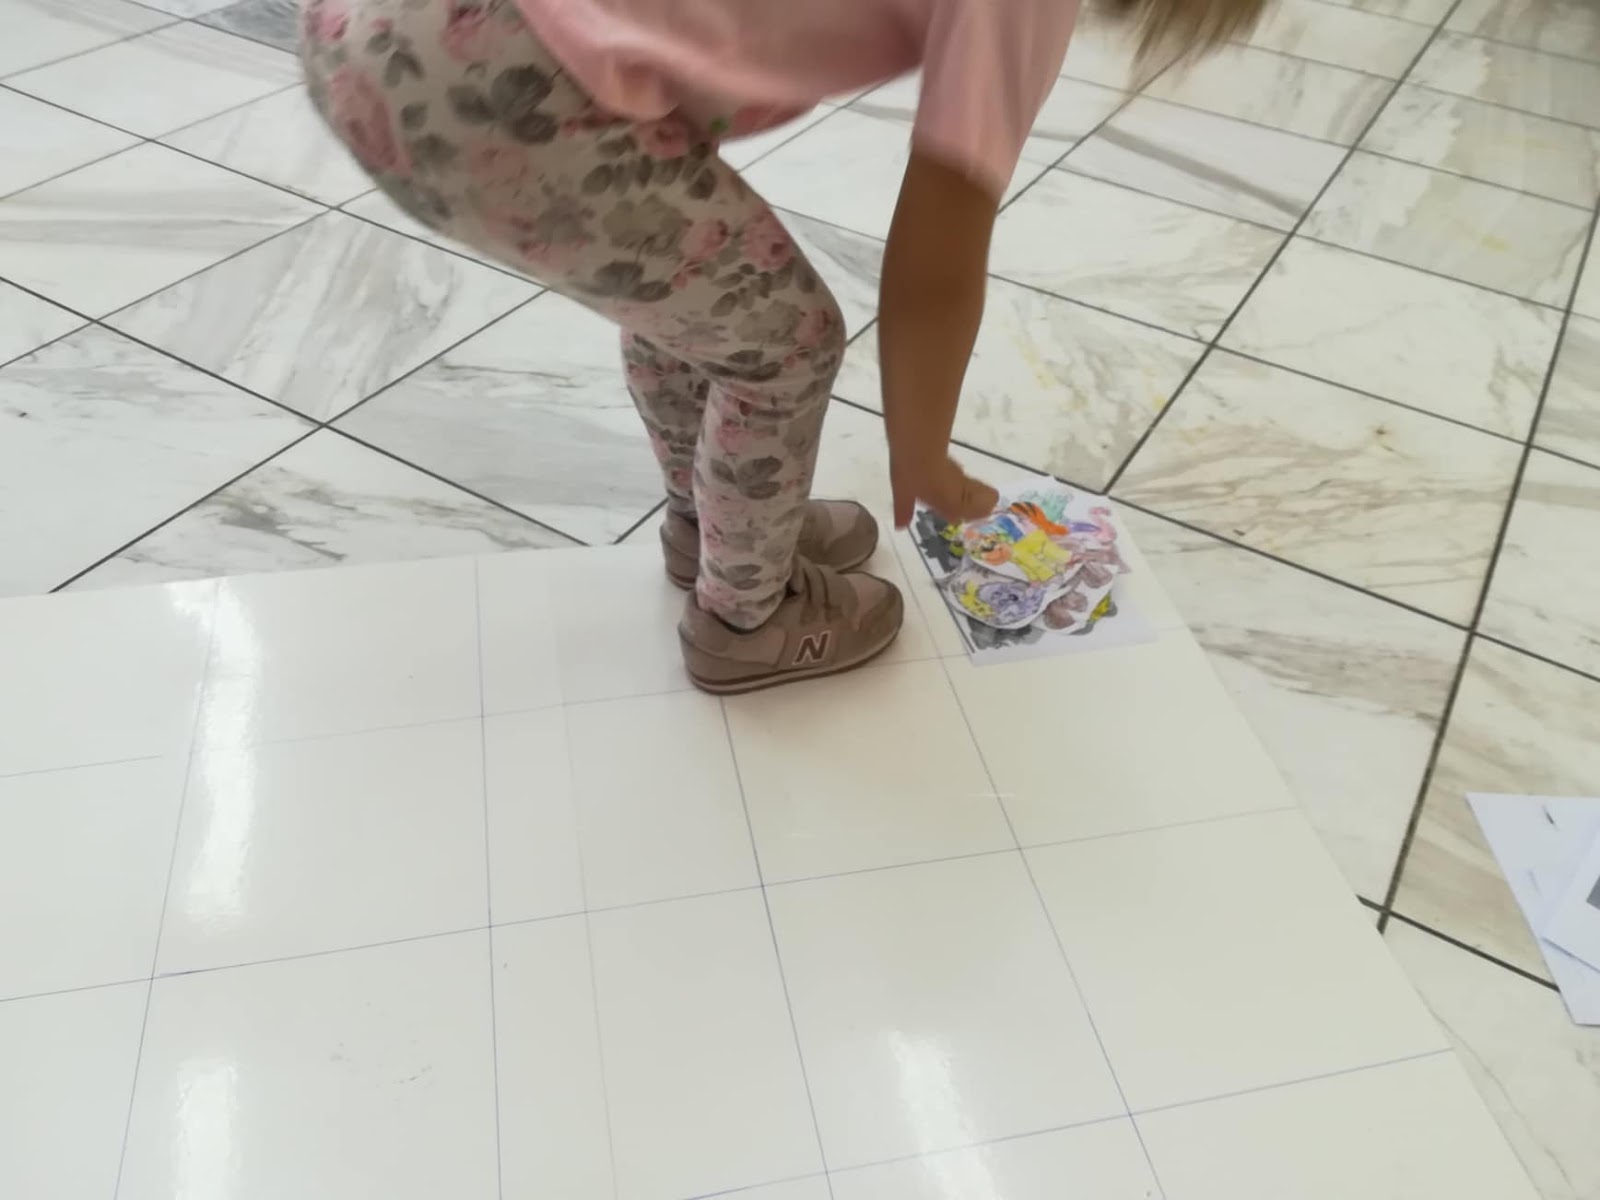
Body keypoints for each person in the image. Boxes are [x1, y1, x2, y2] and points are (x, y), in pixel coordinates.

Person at [301, 0, 1263, 693]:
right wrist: (922, 452)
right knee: (785, 345)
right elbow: (939, 246)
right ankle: (746, 618)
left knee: (689, 297)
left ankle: (709, 526)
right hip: (492, 78)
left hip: (376, 32)